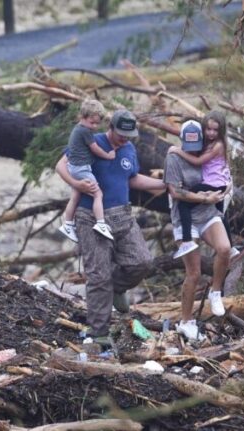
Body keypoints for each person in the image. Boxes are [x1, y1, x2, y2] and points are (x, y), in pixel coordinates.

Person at [55, 109, 166, 340]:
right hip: (90, 216)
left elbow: (132, 178)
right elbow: (61, 166)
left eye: (128, 135)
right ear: (111, 127)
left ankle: (116, 288)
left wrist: (162, 184)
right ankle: (99, 335)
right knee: (98, 276)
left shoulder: (129, 149)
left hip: (122, 215)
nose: (124, 138)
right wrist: (77, 184)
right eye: (121, 134)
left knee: (142, 261)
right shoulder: (90, 140)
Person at [164, 119, 233, 341]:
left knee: (224, 248)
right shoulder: (174, 158)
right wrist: (203, 197)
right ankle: (186, 321)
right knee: (194, 273)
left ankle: (216, 291)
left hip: (208, 213)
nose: (193, 151)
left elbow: (220, 171)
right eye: (189, 147)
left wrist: (224, 188)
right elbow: (175, 192)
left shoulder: (208, 150)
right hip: (185, 218)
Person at [170, 113, 234, 259]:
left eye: (215, 130)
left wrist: (177, 150)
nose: (211, 133)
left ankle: (187, 240)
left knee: (183, 203)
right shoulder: (211, 143)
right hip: (220, 184)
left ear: (221, 130)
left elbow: (198, 161)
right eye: (208, 129)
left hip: (212, 185)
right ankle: (231, 248)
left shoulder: (218, 145)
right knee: (220, 214)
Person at [58, 99, 115, 243]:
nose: (95, 126)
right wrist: (108, 155)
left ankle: (67, 223)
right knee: (98, 194)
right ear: (82, 117)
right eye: (92, 122)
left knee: (75, 196)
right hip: (81, 168)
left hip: (74, 167)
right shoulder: (85, 131)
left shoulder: (78, 129)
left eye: (97, 123)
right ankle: (100, 223)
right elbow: (95, 149)